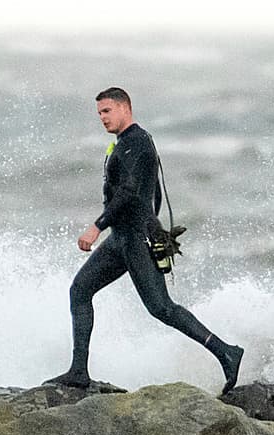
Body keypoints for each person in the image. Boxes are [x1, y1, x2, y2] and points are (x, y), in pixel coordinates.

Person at [47, 88, 244, 394]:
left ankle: (227, 352)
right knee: (80, 290)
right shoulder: (124, 143)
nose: (102, 118)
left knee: (161, 308)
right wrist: (149, 220)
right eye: (99, 113)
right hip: (121, 239)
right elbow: (153, 193)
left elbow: (129, 192)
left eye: (107, 111)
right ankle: (79, 371)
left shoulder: (137, 142)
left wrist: (98, 227)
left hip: (135, 239)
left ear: (125, 108)